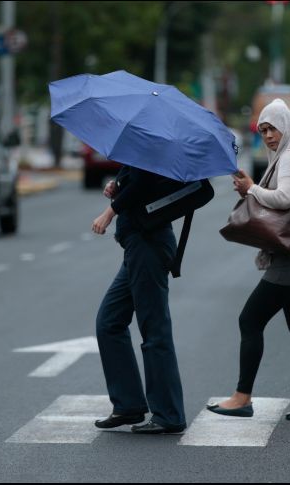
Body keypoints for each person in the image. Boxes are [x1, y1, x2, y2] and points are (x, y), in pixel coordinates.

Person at [208, 98, 290, 423]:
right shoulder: (286, 155)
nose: (268, 135)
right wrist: (250, 189)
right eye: (262, 129)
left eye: (272, 128)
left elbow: (286, 198)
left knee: (250, 320)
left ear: (286, 126)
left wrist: (252, 190)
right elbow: (276, 201)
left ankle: (242, 397)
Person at [90, 166, 186, 434]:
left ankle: (169, 413)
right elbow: (137, 182)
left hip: (149, 244)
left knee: (154, 329)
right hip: (137, 246)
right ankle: (128, 404)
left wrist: (110, 211)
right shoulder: (139, 147)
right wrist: (117, 185)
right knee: (109, 322)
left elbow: (143, 183)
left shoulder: (149, 144)